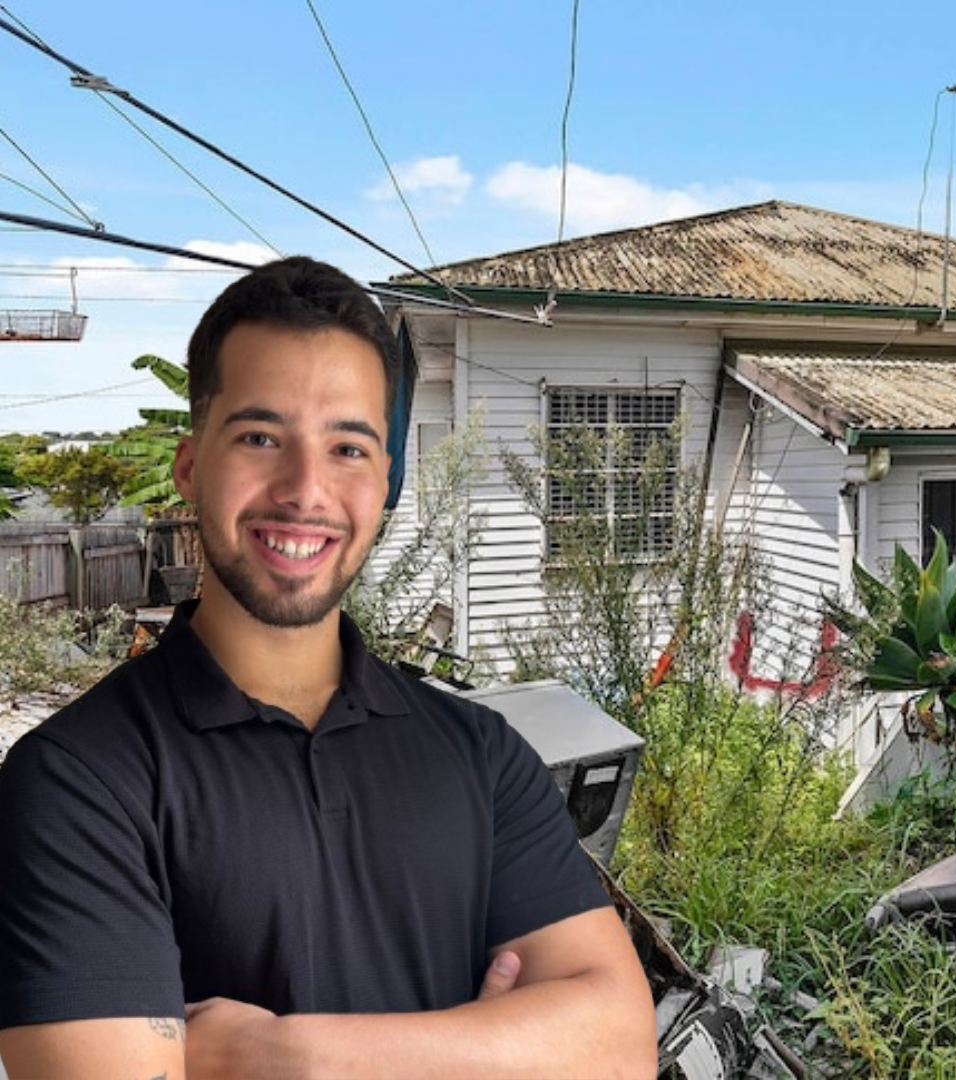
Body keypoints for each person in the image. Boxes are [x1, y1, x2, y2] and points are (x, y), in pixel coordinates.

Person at [0, 256, 656, 1079]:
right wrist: (490, 1053)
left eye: (348, 447)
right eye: (260, 438)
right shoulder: (76, 783)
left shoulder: (483, 755)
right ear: (190, 466)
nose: (305, 489)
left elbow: (619, 1048)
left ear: (384, 482)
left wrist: (283, 1055)